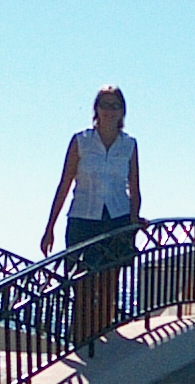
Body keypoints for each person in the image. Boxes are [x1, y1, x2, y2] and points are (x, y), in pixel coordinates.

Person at [40, 86, 141, 342]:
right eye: (104, 105)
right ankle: (81, 342)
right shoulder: (81, 141)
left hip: (116, 220)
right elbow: (65, 184)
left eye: (115, 105)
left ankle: (104, 341)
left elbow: (134, 187)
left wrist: (134, 221)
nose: (109, 111)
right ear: (96, 109)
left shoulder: (129, 145)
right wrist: (49, 227)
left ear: (123, 111)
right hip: (83, 220)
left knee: (108, 288)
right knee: (82, 287)